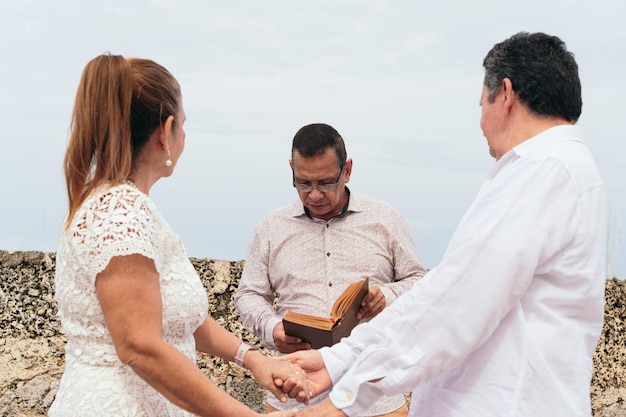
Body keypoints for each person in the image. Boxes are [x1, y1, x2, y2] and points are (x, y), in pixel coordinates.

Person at [280, 32, 607, 417]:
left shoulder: (543, 171)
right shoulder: (559, 170)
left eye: (480, 102)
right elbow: (440, 291)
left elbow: (457, 305)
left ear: (504, 94)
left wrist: (343, 400)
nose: (481, 120)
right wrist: (339, 360)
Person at [48, 53, 308, 417]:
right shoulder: (120, 211)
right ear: (166, 132)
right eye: (183, 124)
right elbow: (139, 346)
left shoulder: (120, 205)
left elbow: (176, 317)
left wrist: (253, 360)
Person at [235, 123, 427, 416]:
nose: (313, 195)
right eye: (303, 183)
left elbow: (420, 282)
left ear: (347, 170)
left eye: (325, 183)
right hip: (294, 397)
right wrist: (272, 329)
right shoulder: (271, 227)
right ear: (291, 170)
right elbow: (248, 294)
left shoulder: (385, 220)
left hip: (377, 399)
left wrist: (386, 296)